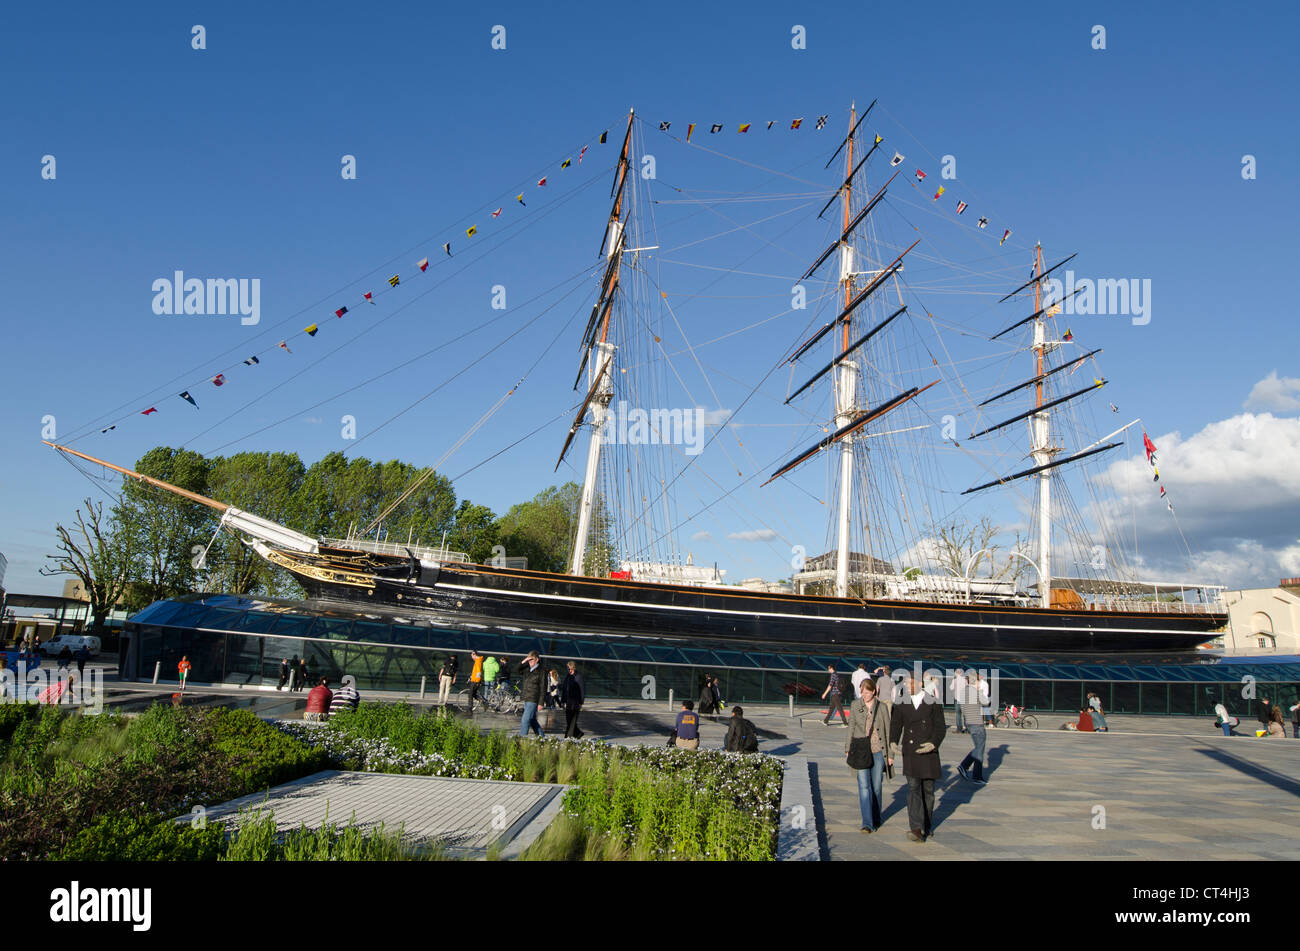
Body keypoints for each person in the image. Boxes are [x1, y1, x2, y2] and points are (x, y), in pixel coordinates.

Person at [889, 673, 945, 842]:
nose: (906, 685)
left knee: (928, 790)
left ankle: (926, 825)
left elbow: (940, 727)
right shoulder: (901, 702)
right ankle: (916, 828)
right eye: (905, 683)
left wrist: (933, 744)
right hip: (911, 750)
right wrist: (893, 741)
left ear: (920, 683)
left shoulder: (933, 702)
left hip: (928, 752)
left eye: (910, 682)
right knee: (913, 788)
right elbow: (896, 723)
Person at [846, 679, 892, 833]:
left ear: (874, 691)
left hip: (878, 751)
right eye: (862, 691)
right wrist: (848, 748)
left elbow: (888, 731)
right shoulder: (855, 705)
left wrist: (890, 755)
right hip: (860, 751)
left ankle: (876, 817)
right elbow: (851, 727)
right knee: (864, 786)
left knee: (876, 787)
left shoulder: (882, 707)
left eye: (866, 691)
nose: (863, 695)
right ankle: (867, 822)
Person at [956, 677, 988, 785]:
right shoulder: (976, 692)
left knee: (978, 748)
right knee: (979, 749)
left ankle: (965, 766)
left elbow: (962, 707)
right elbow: (986, 702)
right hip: (977, 723)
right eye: (980, 682)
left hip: (969, 722)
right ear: (976, 681)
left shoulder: (964, 692)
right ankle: (975, 775)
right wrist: (981, 692)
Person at [518, 652, 545, 738]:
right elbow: (517, 670)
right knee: (532, 720)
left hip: (533, 699)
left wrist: (541, 703)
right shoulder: (527, 669)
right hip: (526, 698)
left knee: (525, 720)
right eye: (529, 660)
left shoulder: (541, 671)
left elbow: (543, 687)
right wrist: (524, 660)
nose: (530, 662)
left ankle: (522, 740)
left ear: (537, 659)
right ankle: (542, 738)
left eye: (531, 659)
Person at [561, 660, 585, 739]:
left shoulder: (578, 676)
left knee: (571, 722)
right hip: (568, 702)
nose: (570, 671)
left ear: (574, 668)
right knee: (569, 721)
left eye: (571, 669)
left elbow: (582, 689)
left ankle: (567, 738)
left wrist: (581, 702)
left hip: (575, 702)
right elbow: (564, 689)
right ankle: (578, 734)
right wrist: (563, 701)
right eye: (568, 669)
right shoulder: (568, 677)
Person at [950, 668, 967, 733]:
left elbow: (951, 688)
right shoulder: (965, 680)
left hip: (957, 699)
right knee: (965, 715)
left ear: (956, 673)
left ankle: (959, 729)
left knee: (958, 714)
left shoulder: (955, 680)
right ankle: (967, 729)